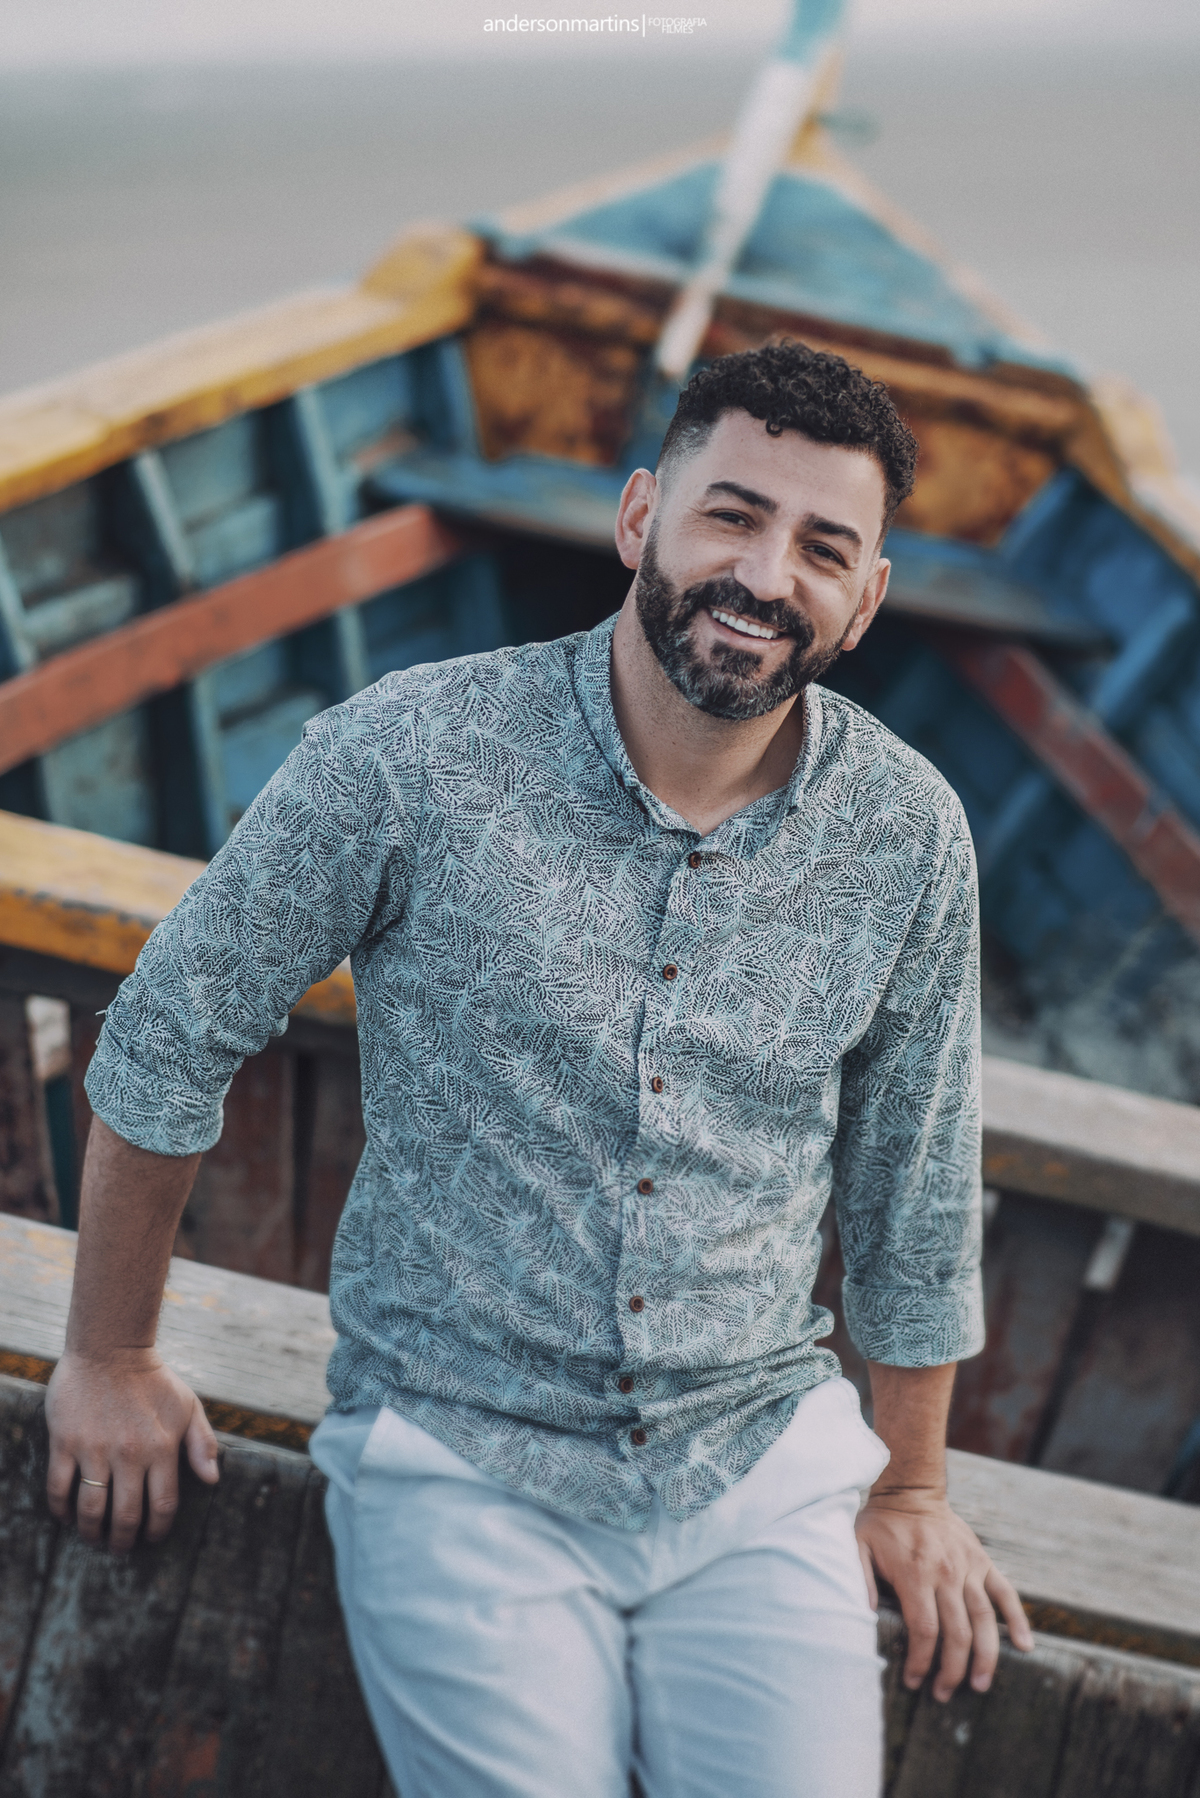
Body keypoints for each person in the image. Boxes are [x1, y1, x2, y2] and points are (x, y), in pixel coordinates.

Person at [45, 341, 1033, 1798]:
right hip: (459, 1454)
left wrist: (917, 1484)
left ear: (868, 598)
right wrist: (110, 1353)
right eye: (731, 515)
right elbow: (171, 1031)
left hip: (756, 1469)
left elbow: (917, 1184)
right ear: (640, 517)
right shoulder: (409, 753)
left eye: (823, 549)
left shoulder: (911, 835)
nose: (766, 575)